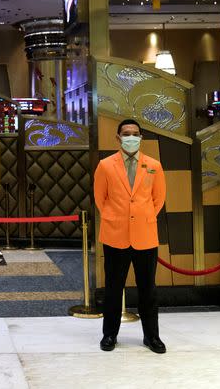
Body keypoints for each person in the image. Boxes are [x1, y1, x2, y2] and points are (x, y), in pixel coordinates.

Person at [94, 118, 167, 354]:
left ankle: (151, 336)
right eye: (126, 133)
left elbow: (158, 199)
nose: (131, 137)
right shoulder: (105, 165)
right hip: (115, 235)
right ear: (118, 138)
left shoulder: (154, 165)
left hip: (145, 236)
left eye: (135, 133)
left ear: (141, 137)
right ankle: (109, 335)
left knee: (148, 289)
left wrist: (142, 217)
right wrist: (117, 218)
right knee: (114, 288)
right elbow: (100, 199)